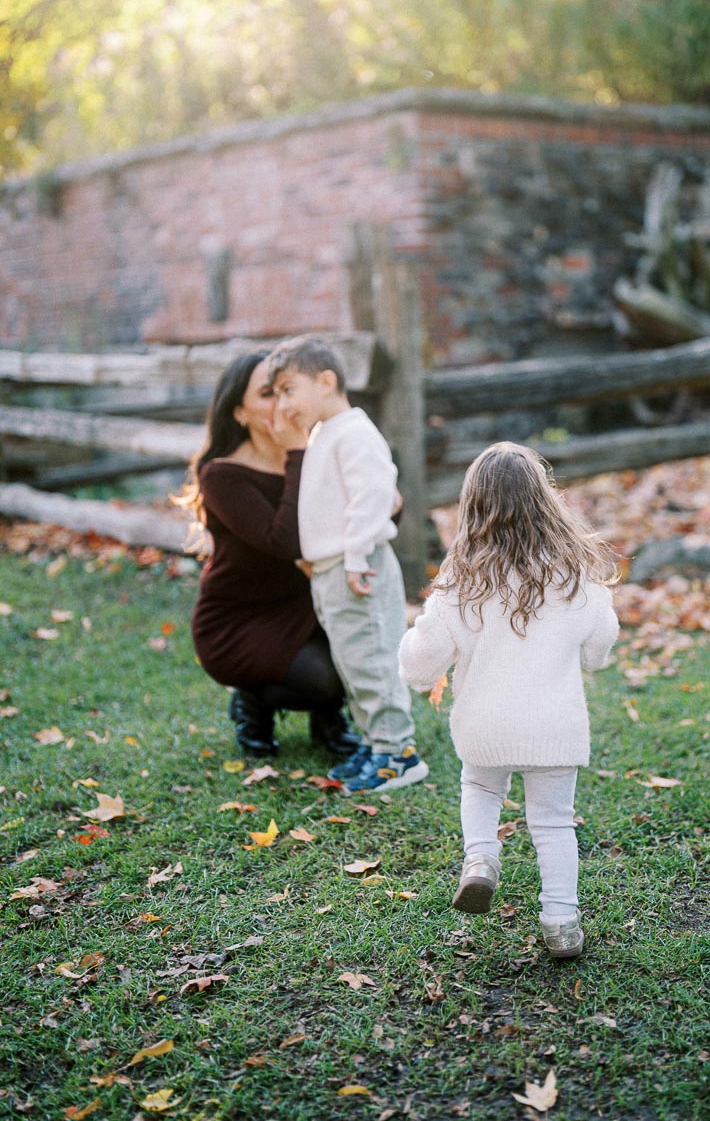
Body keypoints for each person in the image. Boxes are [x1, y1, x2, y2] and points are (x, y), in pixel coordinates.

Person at [398, 442, 619, 959]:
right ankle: (562, 922)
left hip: (485, 727)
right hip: (555, 727)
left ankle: (481, 859)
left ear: (472, 509)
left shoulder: (461, 581)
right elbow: (599, 648)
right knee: (553, 822)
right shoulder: (576, 577)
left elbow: (419, 664)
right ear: (547, 503)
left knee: (479, 785)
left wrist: (410, 639)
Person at [176, 351, 360, 760]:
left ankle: (328, 722)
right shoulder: (222, 475)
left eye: (285, 390)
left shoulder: (322, 448)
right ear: (239, 412)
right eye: (266, 393)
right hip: (240, 622)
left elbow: (377, 508)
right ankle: (253, 700)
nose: (282, 402)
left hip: (310, 605)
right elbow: (286, 542)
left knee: (363, 657)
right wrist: (298, 453)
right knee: (326, 680)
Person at [267, 335, 428, 793]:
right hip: (332, 568)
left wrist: (356, 556)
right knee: (354, 661)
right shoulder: (325, 433)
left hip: (360, 566)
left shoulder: (355, 432)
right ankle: (376, 744)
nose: (283, 403)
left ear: (326, 381)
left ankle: (399, 754)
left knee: (374, 657)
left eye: (287, 389)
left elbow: (371, 497)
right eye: (276, 392)